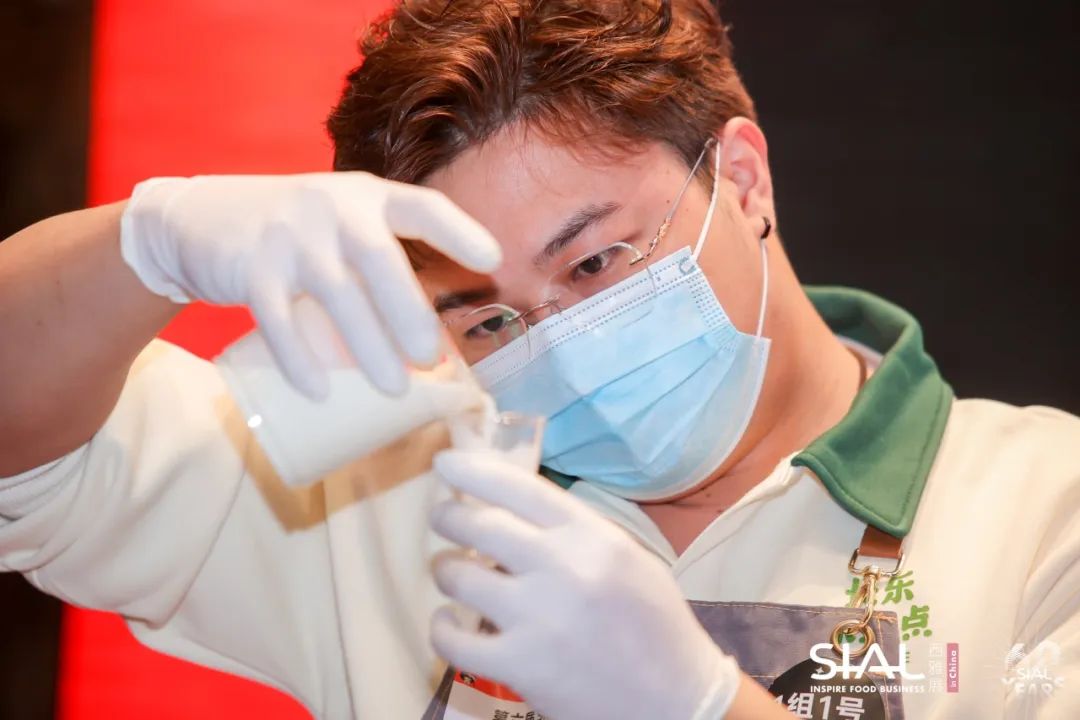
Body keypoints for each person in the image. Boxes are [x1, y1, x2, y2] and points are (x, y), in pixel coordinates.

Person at [0, 0, 1076, 717]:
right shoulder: (394, 494)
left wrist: (696, 705)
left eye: (596, 261)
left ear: (744, 178)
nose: (563, 342)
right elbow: (26, 458)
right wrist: (149, 245)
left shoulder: (1041, 512)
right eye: (489, 322)